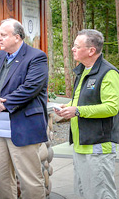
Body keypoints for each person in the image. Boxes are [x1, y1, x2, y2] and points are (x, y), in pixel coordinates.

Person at [0, 18, 48, 198]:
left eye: (3, 35)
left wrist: (1, 105)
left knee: (29, 179)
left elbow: (30, 88)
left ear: (17, 37)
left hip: (24, 127)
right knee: (4, 178)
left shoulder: (36, 57)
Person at [54, 29, 119, 199]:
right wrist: (67, 107)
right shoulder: (83, 71)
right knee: (83, 193)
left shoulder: (109, 73)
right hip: (81, 144)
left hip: (98, 146)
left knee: (100, 194)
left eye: (77, 46)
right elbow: (81, 101)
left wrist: (78, 111)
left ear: (91, 50)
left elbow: (112, 107)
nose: (73, 49)